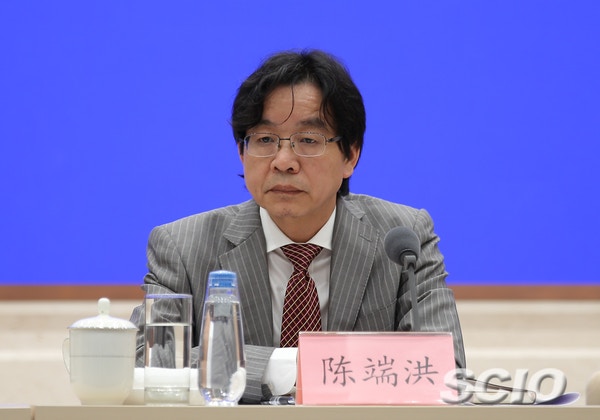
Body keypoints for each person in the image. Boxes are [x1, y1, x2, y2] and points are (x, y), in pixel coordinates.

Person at [130, 49, 466, 404]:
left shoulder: (404, 240)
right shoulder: (182, 247)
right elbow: (146, 368)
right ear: (242, 153)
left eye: (308, 140)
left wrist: (248, 363)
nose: (284, 161)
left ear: (351, 155)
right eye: (264, 139)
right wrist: (288, 367)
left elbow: (445, 371)